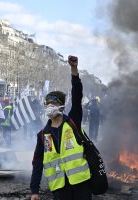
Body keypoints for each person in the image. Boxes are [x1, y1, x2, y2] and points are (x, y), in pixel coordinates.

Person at [30, 56, 92, 200]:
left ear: (61, 106)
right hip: (59, 187)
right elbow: (37, 163)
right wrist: (34, 191)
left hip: (80, 184)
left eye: (53, 103)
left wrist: (74, 70)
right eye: (47, 104)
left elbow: (77, 95)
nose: (49, 106)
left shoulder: (73, 121)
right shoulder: (43, 135)